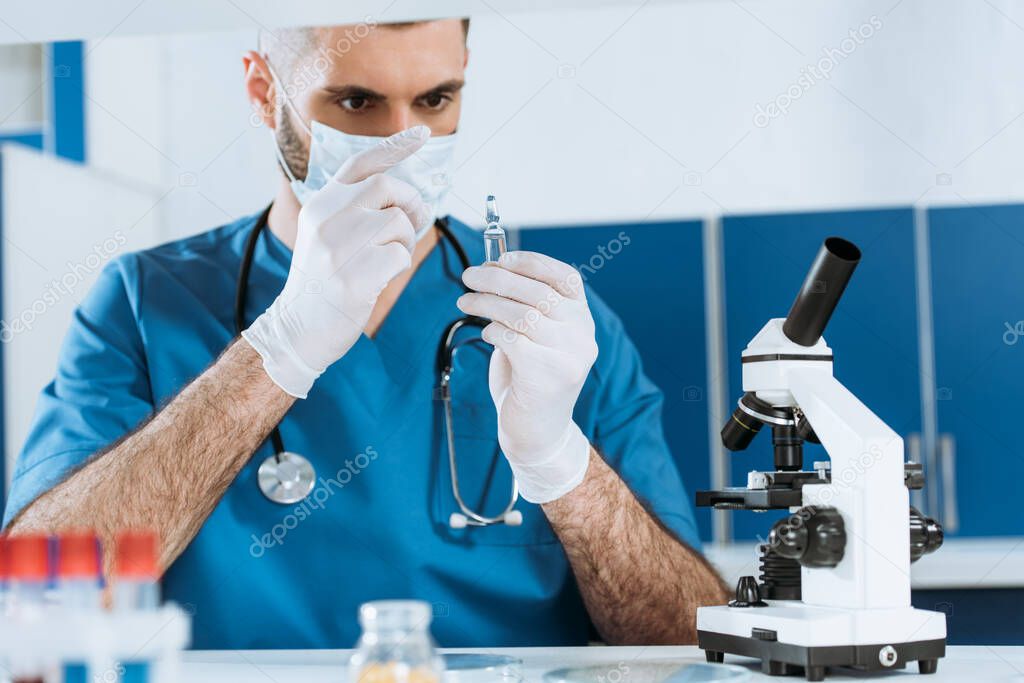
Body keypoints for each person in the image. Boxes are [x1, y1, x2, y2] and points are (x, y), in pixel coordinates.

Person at [3, 18, 726, 648]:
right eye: (356, 102)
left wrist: (563, 464)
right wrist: (276, 351)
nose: (403, 141)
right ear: (264, 93)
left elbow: (690, 632)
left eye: (435, 100)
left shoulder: (553, 321)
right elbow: (42, 596)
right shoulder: (146, 302)